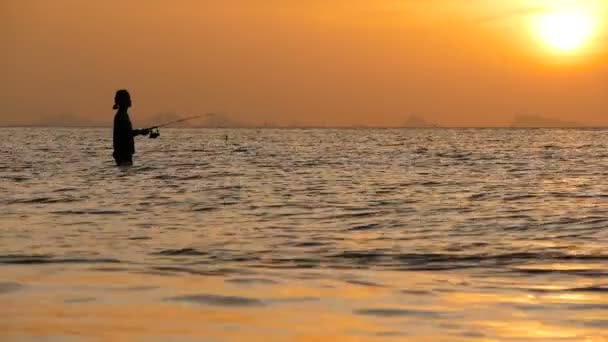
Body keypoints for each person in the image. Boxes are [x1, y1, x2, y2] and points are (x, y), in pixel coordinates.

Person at [112, 89, 149, 166]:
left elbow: (127, 133)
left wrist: (140, 131)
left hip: (123, 153)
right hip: (123, 154)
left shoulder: (123, 114)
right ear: (124, 101)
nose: (130, 100)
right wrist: (141, 132)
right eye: (128, 98)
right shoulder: (121, 116)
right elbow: (126, 134)